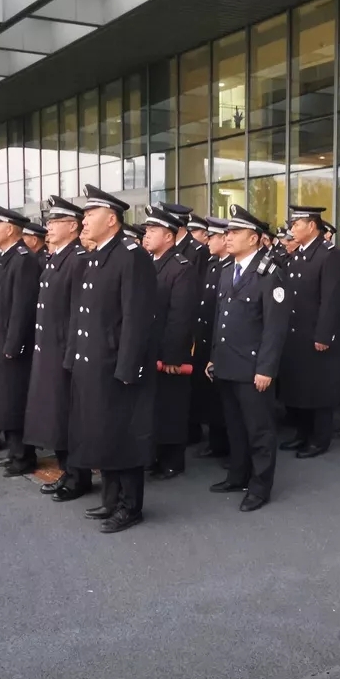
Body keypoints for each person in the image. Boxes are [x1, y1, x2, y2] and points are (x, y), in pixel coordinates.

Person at [68, 185, 157, 533]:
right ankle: (111, 499)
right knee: (102, 433)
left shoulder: (131, 255)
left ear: (111, 219)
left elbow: (136, 318)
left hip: (116, 365)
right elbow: (85, 315)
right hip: (94, 363)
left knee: (124, 436)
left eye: (90, 214)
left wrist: (128, 367)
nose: (84, 221)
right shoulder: (98, 256)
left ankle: (130, 506)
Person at [207, 204, 289, 511]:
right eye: (227, 232)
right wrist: (214, 356)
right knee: (235, 427)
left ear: (253, 238)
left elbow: (275, 328)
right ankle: (237, 475)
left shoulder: (269, 274)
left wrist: (266, 368)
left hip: (253, 368)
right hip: (228, 363)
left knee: (259, 430)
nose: (228, 237)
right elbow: (221, 318)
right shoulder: (228, 269)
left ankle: (260, 486)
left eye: (235, 232)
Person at [24, 197, 89, 499]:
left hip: (63, 350)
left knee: (67, 417)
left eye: (55, 222)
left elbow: (77, 312)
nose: (48, 227)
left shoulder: (77, 259)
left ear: (73, 226)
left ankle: (77, 476)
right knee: (55, 416)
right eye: (48, 222)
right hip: (50, 348)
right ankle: (68, 471)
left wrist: (70, 353)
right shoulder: (59, 257)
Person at [0, 204, 41, 476]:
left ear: (10, 229)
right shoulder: (6, 257)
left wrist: (13, 344)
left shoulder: (23, 259)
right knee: (2, 400)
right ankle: (14, 452)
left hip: (11, 345)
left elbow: (21, 307)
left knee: (13, 401)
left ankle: (24, 456)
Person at [278, 205, 340, 458]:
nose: (292, 229)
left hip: (316, 333)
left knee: (318, 388)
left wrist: (323, 334)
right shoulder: (299, 254)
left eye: (296, 224)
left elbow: (331, 299)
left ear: (311, 225)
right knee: (300, 387)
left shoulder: (329, 255)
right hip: (296, 332)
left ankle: (320, 438)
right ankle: (302, 433)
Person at [142, 204, 198, 480]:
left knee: (171, 406)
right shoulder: (150, 264)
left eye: (153, 230)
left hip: (170, 351)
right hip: (152, 348)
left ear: (168, 236)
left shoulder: (180, 267)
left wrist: (173, 356)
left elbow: (180, 316)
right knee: (155, 406)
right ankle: (155, 455)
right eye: (147, 230)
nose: (147, 235)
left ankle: (173, 461)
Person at [190, 217, 232, 459]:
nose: (208, 241)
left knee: (223, 398)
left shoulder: (231, 266)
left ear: (225, 240)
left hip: (221, 340)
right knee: (211, 395)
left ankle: (227, 445)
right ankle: (216, 442)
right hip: (207, 337)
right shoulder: (214, 264)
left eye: (213, 236)